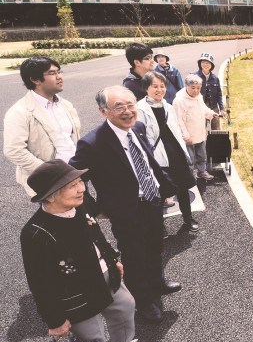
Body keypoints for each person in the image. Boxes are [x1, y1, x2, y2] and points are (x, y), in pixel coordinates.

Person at [21, 159, 155, 342]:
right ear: (51, 195)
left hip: (105, 274)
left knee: (126, 306)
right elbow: (39, 282)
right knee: (94, 339)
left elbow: (97, 236)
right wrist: (55, 320)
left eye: (80, 181)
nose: (82, 188)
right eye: (72, 185)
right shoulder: (35, 233)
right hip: (76, 293)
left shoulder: (79, 206)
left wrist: (113, 260)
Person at [69, 85, 179, 324]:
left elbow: (147, 162)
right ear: (103, 111)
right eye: (119, 107)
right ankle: (143, 301)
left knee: (155, 245)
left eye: (131, 105)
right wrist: (95, 208)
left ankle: (157, 282)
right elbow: (74, 179)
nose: (128, 111)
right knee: (134, 255)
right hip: (126, 211)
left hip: (151, 200)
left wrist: (163, 188)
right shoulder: (92, 143)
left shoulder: (137, 127)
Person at [3, 56, 81, 197]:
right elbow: (13, 150)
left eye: (59, 71)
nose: (59, 77)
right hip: (50, 181)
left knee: (85, 216)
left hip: (75, 174)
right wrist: (48, 170)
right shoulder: (20, 112)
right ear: (35, 80)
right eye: (52, 73)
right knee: (59, 218)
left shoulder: (65, 105)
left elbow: (72, 139)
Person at [136, 71, 199, 232]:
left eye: (162, 86)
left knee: (184, 188)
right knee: (160, 192)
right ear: (146, 88)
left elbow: (175, 130)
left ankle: (188, 218)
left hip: (175, 154)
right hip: (157, 157)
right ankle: (160, 225)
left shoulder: (168, 106)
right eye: (154, 86)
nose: (159, 90)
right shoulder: (140, 109)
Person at [173, 74, 220, 182]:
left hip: (200, 131)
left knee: (202, 154)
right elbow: (179, 120)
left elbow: (204, 109)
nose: (196, 91)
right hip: (188, 134)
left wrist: (212, 113)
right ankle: (190, 176)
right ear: (186, 86)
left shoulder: (199, 96)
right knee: (189, 157)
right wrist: (186, 135)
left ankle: (201, 171)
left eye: (198, 88)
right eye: (193, 88)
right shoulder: (179, 101)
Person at [193, 52, 224, 130]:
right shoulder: (193, 77)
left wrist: (222, 109)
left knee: (216, 129)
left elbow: (219, 95)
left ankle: (216, 142)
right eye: (203, 62)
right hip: (199, 108)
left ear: (211, 65)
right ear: (200, 64)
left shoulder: (215, 79)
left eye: (208, 63)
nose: (205, 65)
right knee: (200, 129)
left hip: (213, 107)